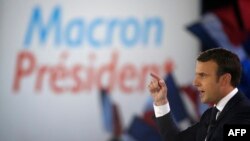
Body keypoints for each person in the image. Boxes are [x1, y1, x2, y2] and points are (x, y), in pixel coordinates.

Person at [148, 48, 250, 141]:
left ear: (224, 79)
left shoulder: (245, 113)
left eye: (203, 75)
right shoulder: (210, 115)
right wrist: (161, 102)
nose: (195, 82)